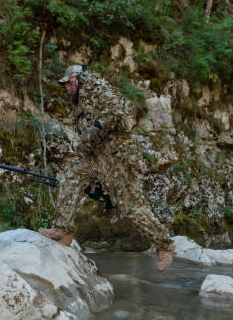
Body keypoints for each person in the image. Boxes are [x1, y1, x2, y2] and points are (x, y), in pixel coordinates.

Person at [39, 65, 174, 272]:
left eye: (69, 82)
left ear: (80, 78)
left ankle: (164, 246)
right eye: (65, 84)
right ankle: (62, 229)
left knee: (131, 205)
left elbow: (117, 111)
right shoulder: (77, 99)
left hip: (115, 157)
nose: (67, 87)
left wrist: (95, 128)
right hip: (93, 156)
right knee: (70, 175)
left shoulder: (97, 87)